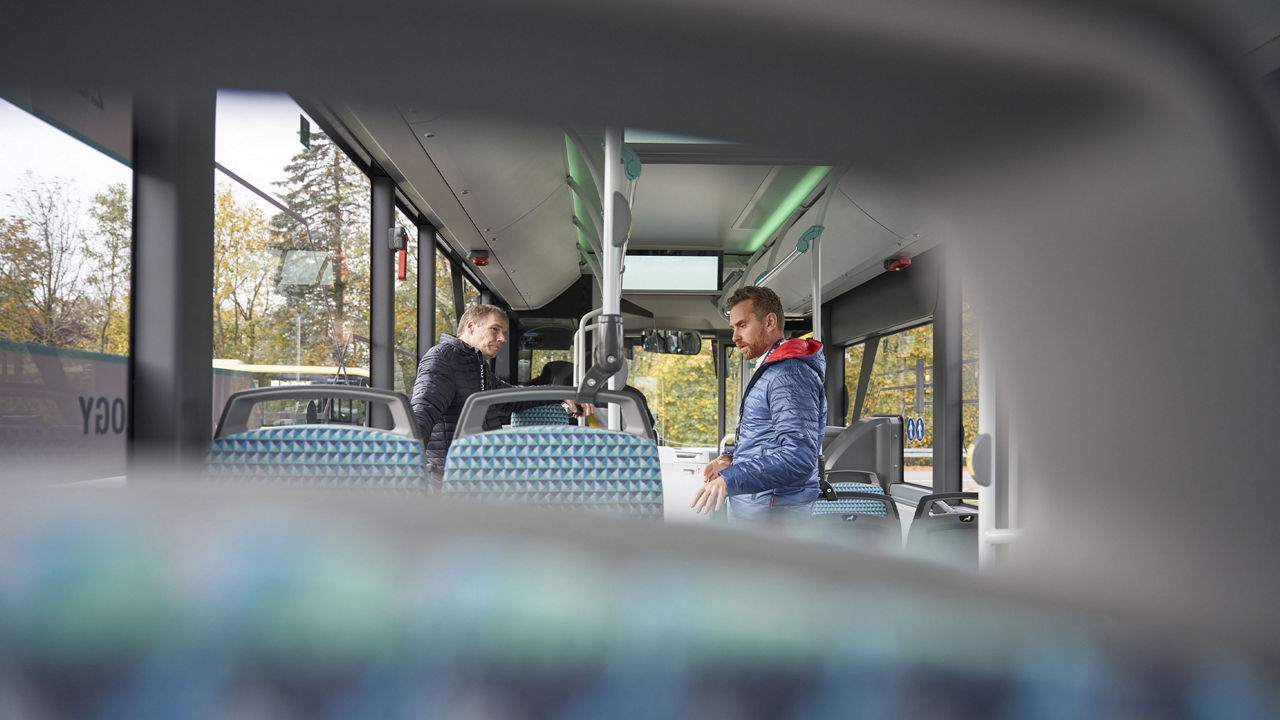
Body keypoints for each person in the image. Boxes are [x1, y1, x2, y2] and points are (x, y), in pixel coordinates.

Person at [411, 304, 589, 488]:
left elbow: (513, 398)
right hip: (453, 478)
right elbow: (423, 410)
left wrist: (562, 394)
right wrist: (406, 461)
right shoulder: (443, 358)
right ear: (470, 326)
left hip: (480, 474)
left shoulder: (477, 366)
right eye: (495, 329)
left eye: (504, 332)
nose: (502, 338)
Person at [692, 286, 825, 520]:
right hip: (763, 510)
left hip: (775, 516)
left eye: (742, 325)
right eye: (733, 328)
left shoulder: (788, 375)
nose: (734, 337)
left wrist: (731, 479)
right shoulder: (773, 371)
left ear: (770, 322)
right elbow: (765, 441)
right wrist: (730, 460)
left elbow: (798, 456)